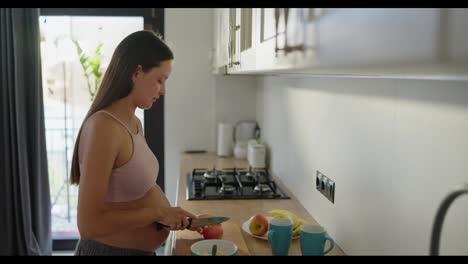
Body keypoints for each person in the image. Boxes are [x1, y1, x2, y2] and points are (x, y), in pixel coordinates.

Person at [70, 30, 199, 256]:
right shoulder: (104, 128)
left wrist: (173, 216)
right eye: (160, 80)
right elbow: (88, 225)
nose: (163, 90)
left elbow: (131, 194)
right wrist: (157, 213)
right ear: (137, 73)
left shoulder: (133, 122)